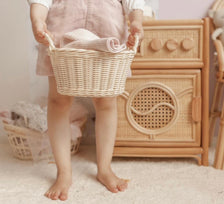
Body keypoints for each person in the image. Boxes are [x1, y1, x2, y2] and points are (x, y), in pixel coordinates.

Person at [28, 0, 144, 201]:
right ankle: (63, 172)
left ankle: (104, 168)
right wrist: (37, 19)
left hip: (107, 23)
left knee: (106, 100)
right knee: (59, 100)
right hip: (63, 22)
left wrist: (136, 21)